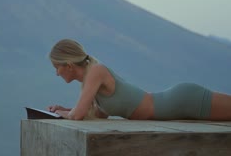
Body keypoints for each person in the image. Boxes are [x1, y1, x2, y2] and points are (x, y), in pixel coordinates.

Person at [47, 39, 231, 120]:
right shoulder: (91, 81)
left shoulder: (96, 72)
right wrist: (66, 110)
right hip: (177, 107)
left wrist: (65, 114)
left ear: (69, 65)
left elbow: (78, 116)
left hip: (184, 101)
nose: (56, 73)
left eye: (57, 68)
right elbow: (99, 114)